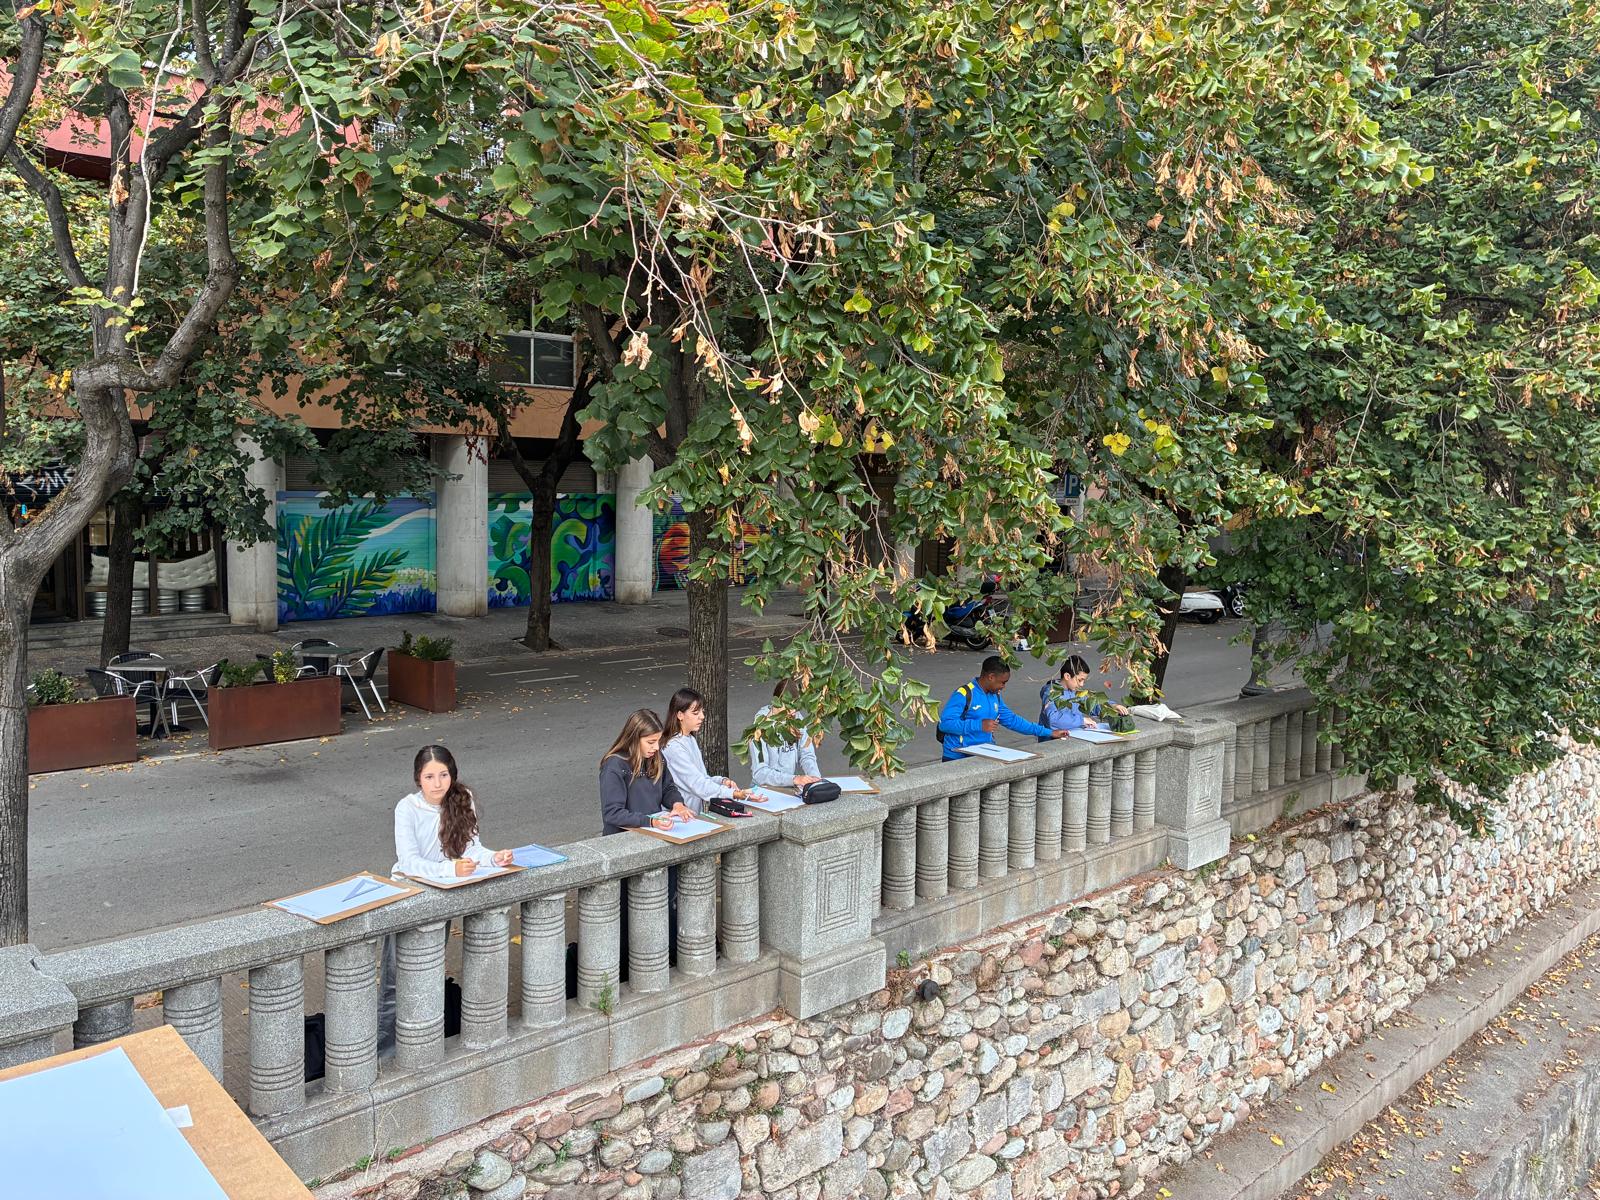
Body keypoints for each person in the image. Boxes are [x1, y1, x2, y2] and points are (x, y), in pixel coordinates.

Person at [379, 745, 513, 1057]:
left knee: (429, 970)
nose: (437, 783)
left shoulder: (462, 799)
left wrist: (494, 858)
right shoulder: (407, 808)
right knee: (396, 979)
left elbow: (471, 848)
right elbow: (408, 862)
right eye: (429, 777)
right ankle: (384, 1051)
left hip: (443, 892)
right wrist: (450, 869)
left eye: (443, 775)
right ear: (418, 779)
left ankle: (422, 1042)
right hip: (409, 894)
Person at [939, 655, 1072, 760]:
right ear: (991, 677)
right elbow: (945, 724)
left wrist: (1049, 732)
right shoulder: (964, 694)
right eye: (1002, 682)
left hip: (984, 753)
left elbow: (1013, 721)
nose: (1003, 687)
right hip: (957, 757)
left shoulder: (995, 696)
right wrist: (978, 725)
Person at [600, 709, 694, 834]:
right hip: (623, 836)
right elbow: (612, 813)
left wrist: (677, 804)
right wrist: (650, 821)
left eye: (658, 741)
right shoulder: (614, 765)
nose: (656, 747)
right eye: (651, 742)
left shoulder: (656, 757)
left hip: (653, 830)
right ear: (633, 739)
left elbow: (668, 788)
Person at [660, 687, 750, 811]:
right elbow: (697, 784)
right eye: (695, 713)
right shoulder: (673, 746)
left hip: (692, 812)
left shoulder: (689, 738)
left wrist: (721, 781)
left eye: (702, 711)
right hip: (679, 814)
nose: (702, 716)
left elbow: (701, 777)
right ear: (680, 715)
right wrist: (733, 794)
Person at [748, 679, 823, 790]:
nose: (792, 711)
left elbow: (807, 755)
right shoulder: (760, 726)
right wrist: (794, 779)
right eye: (788, 707)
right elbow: (760, 773)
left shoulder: (797, 718)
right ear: (776, 702)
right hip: (765, 789)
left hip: (788, 787)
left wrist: (815, 778)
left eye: (795, 706)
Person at [1038, 655, 1128, 739]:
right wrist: (1082, 720)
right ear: (1067, 676)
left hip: (1073, 735)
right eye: (1080, 680)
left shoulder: (1075, 691)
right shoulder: (1051, 692)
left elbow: (1091, 704)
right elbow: (1053, 720)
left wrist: (1112, 706)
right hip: (1053, 740)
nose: (1081, 684)